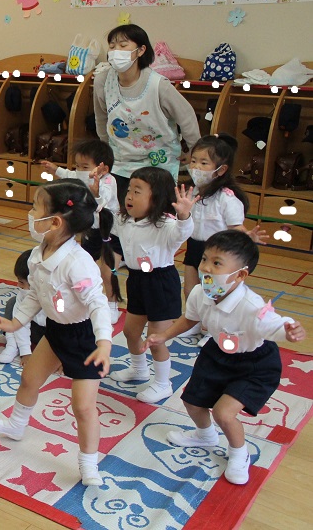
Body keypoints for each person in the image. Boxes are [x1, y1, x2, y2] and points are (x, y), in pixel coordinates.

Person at [143, 230, 306, 485]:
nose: (206, 267)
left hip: (254, 364)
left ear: (240, 275)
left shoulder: (251, 306)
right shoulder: (200, 292)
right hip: (217, 354)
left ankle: (240, 454)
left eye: (217, 263)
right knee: (192, 401)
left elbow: (276, 324)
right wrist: (164, 335)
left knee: (224, 413)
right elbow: (189, 319)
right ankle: (205, 436)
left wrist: (290, 330)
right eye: (204, 259)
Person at [0, 180, 113, 486]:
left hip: (84, 339)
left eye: (35, 208)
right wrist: (16, 323)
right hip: (55, 331)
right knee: (29, 379)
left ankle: (88, 463)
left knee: (83, 406)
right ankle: (16, 424)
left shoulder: (77, 263)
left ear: (55, 222)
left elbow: (98, 303)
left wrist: (104, 343)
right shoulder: (37, 255)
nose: (30, 214)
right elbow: (35, 295)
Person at [109, 167, 196, 403]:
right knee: (130, 332)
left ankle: (163, 384)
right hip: (137, 280)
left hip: (161, 283)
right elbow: (103, 216)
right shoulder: (124, 220)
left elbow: (182, 233)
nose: (129, 196)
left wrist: (184, 216)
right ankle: (139, 369)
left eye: (137, 192)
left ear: (156, 198)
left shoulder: (166, 224)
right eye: (129, 190)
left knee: (156, 339)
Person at [93, 24, 200, 207]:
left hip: (158, 163)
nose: (116, 51)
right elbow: (101, 117)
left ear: (141, 50)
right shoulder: (103, 81)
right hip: (121, 161)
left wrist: (194, 152)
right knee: (121, 214)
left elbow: (187, 117)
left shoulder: (158, 85)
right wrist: (106, 151)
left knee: (155, 216)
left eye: (123, 45)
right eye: (112, 46)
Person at [182, 135, 266, 335]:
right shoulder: (192, 192)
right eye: (193, 161)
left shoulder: (227, 198)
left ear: (221, 170)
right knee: (191, 290)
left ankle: (212, 330)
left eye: (204, 163)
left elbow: (236, 227)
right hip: (194, 246)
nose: (196, 167)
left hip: (218, 253)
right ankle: (194, 323)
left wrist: (248, 237)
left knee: (214, 293)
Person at [42, 138, 122, 322]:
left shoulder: (108, 181)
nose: (80, 170)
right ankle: (83, 299)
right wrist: (56, 169)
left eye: (85, 167)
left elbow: (104, 199)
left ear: (104, 169)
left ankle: (112, 304)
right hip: (91, 231)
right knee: (84, 268)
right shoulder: (82, 176)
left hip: (111, 233)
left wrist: (96, 192)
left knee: (108, 271)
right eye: (78, 165)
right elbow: (71, 175)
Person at [0, 250, 47, 365]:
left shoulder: (55, 298)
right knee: (12, 303)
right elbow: (20, 322)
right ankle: (12, 344)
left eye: (21, 282)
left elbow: (65, 331)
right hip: (33, 330)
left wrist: (60, 357)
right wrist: (25, 352)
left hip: (52, 336)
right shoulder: (23, 295)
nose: (18, 285)